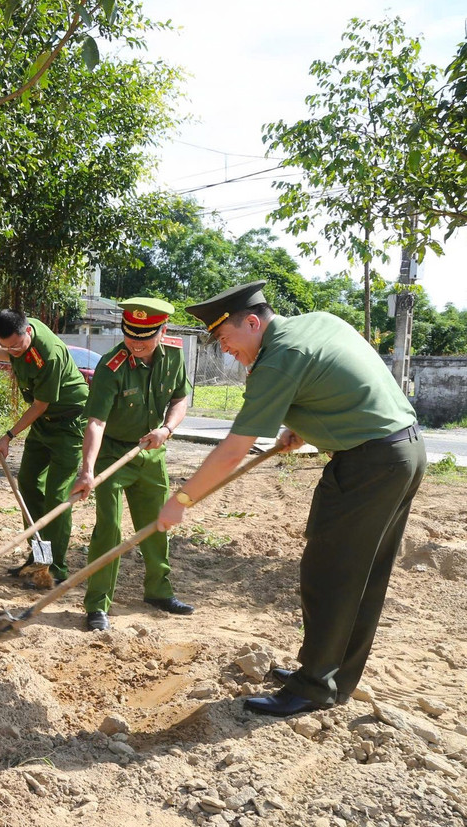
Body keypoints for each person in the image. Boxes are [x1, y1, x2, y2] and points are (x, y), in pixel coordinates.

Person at [158, 280, 426, 717]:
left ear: (251, 322)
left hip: (368, 466)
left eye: (225, 339)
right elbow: (340, 383)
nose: (225, 350)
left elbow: (232, 450)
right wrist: (307, 425)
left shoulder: (278, 359)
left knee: (330, 575)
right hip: (402, 452)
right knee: (362, 576)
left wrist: (182, 500)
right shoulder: (315, 323)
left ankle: (314, 686)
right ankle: (329, 679)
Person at [72, 298, 193, 632]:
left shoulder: (174, 357)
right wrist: (87, 470)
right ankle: (97, 605)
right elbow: (96, 422)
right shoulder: (112, 366)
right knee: (108, 529)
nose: (136, 342)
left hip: (151, 453)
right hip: (113, 454)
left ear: (162, 331)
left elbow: (180, 398)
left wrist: (166, 429)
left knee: (156, 524)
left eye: (145, 336)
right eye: (130, 334)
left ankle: (158, 591)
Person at [0, 309, 88, 583]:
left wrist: (8, 436)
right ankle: (39, 556)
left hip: (69, 423)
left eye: (16, 345)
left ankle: (56, 568)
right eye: (6, 346)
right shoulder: (18, 339)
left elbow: (40, 405)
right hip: (44, 423)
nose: (11, 351)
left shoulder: (48, 354)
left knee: (56, 496)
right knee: (27, 485)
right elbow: (11, 352)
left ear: (27, 332)